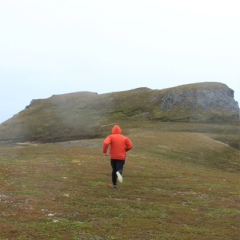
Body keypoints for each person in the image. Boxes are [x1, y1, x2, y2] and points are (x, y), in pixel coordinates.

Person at [103, 125, 132, 189]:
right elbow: (130, 146)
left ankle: (114, 185)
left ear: (112, 130)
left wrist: (105, 151)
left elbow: (105, 143)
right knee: (119, 168)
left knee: (114, 170)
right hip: (121, 157)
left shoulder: (110, 137)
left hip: (113, 157)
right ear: (120, 131)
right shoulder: (125, 138)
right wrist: (125, 150)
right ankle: (119, 172)